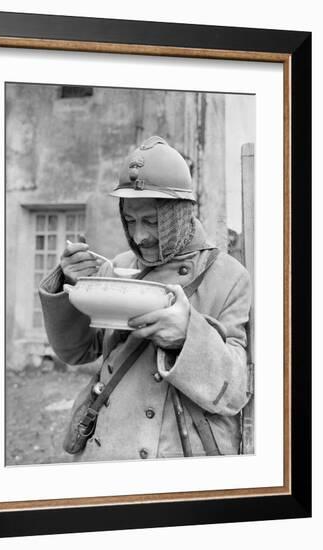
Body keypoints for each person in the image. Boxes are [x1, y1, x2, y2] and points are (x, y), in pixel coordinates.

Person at [39, 136, 252, 461]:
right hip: (105, 455)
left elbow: (236, 391)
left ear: (179, 214)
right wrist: (68, 283)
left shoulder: (229, 276)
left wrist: (186, 336)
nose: (139, 236)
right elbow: (77, 352)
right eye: (130, 221)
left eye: (152, 222)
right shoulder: (121, 266)